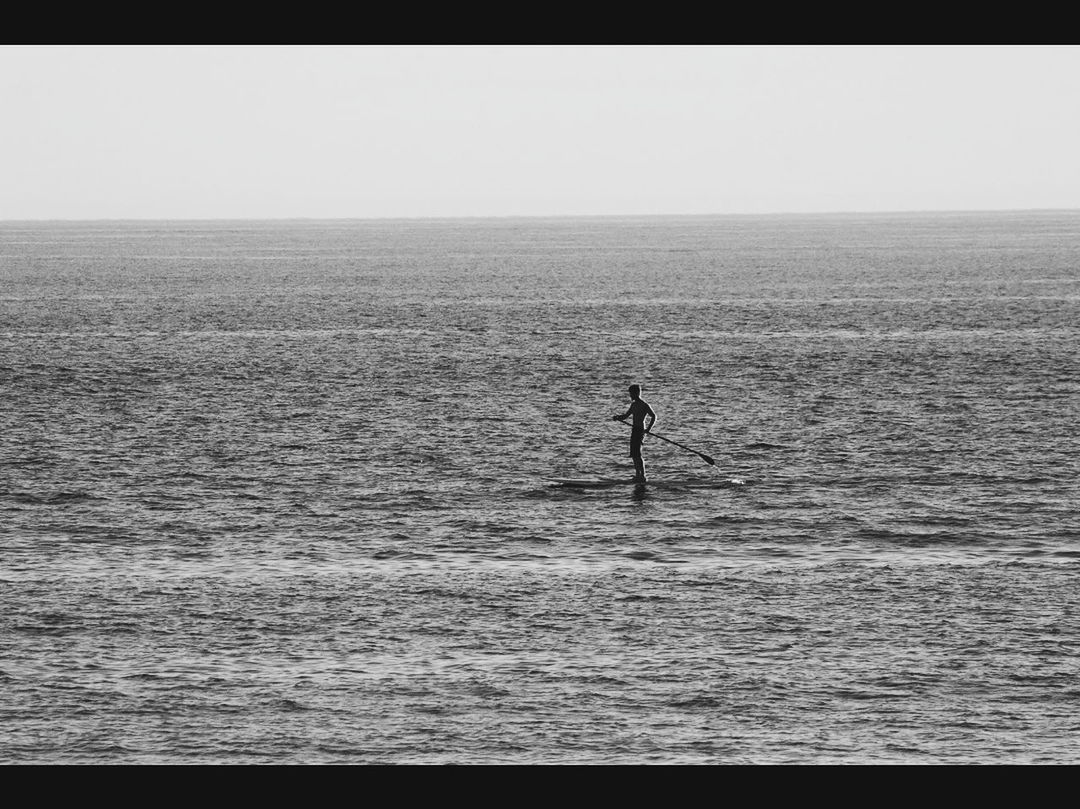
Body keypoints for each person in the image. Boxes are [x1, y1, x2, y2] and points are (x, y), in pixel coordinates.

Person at [612, 384, 656, 483]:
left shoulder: (644, 405)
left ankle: (643, 476)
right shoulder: (634, 404)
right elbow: (626, 416)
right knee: (633, 454)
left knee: (638, 454)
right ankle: (637, 475)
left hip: (640, 431)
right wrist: (617, 417)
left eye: (631, 393)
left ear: (636, 393)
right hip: (634, 431)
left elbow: (653, 416)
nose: (630, 396)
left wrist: (648, 429)